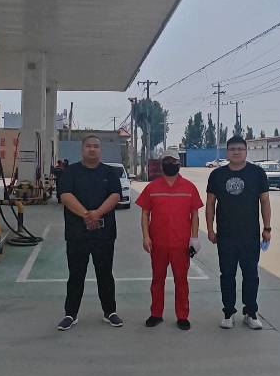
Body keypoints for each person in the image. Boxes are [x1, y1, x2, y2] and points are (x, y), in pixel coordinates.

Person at [56, 135, 124, 331]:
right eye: (88, 146)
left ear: (100, 150)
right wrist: (87, 215)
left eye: (95, 146)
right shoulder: (70, 172)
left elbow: (115, 196)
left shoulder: (110, 172)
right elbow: (65, 196)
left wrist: (97, 214)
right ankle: (70, 314)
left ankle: (110, 312)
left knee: (105, 274)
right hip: (77, 234)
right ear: (82, 149)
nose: (92, 149)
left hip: (104, 235)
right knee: (76, 275)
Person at [205, 134, 271, 329]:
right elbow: (210, 203)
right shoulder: (217, 175)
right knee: (227, 275)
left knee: (251, 275)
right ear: (227, 152)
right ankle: (228, 313)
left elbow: (265, 202)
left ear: (246, 151)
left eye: (240, 149)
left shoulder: (257, 173)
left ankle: (250, 313)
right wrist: (210, 229)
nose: (236, 152)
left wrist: (267, 228)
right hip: (226, 236)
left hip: (250, 236)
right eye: (232, 149)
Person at [136, 148, 203, 331]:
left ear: (179, 164)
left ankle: (182, 316)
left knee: (181, 281)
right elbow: (145, 214)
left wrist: (194, 238)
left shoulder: (189, 187)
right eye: (167, 161)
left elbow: (195, 215)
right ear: (161, 164)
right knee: (157, 280)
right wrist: (146, 236)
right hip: (158, 243)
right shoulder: (152, 187)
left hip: (181, 244)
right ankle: (156, 314)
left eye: (174, 161)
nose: (171, 164)